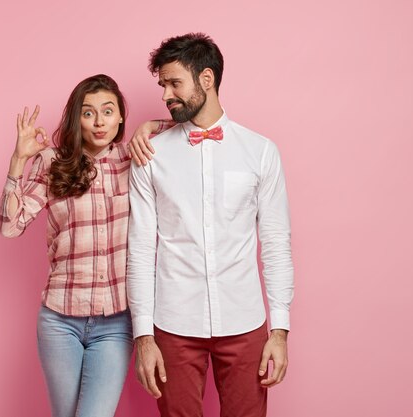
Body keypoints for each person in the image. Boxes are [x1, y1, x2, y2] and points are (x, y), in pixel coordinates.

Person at [127, 33, 295, 416]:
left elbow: (275, 242)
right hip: (173, 324)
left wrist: (280, 330)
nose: (167, 95)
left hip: (245, 321)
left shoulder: (260, 152)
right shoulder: (150, 155)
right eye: (163, 86)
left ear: (206, 79)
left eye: (174, 83)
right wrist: (144, 336)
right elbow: (139, 249)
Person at [0, 74, 169, 417]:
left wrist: (149, 125)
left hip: (116, 322)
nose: (99, 121)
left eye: (108, 111)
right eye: (88, 113)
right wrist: (18, 161)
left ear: (121, 116)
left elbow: (188, 128)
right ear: (77, 118)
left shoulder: (134, 158)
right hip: (59, 319)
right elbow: (10, 226)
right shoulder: (52, 163)